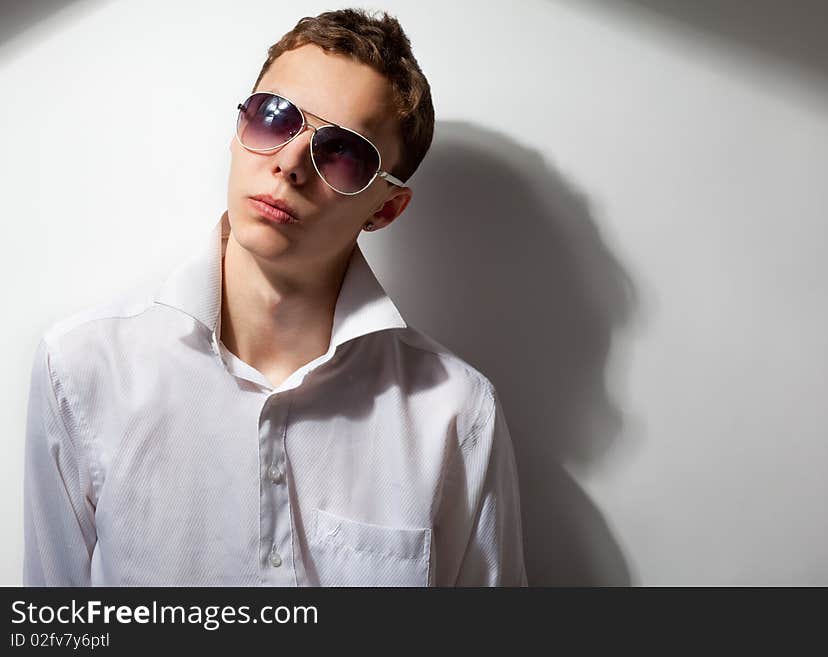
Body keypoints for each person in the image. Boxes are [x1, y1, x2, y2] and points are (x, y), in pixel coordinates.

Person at [23, 8, 527, 587]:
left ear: (384, 208)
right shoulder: (84, 368)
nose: (289, 163)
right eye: (273, 117)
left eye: (342, 153)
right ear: (239, 130)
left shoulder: (454, 414)